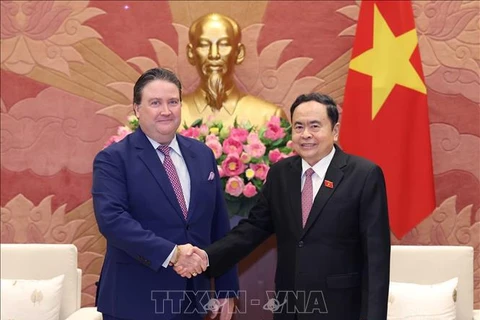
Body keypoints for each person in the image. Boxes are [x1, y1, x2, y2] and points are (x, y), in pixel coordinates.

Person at [179, 93, 391, 319]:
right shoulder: (281, 174)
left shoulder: (363, 175)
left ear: (335, 131)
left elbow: (376, 260)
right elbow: (252, 230)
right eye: (298, 127)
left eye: (315, 126)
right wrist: (206, 257)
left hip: (341, 308)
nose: (306, 134)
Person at [92, 67, 238, 320]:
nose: (166, 111)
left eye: (173, 102)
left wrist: (226, 287)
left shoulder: (203, 155)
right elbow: (113, 221)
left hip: (192, 298)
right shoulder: (113, 159)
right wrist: (173, 254)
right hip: (134, 300)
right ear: (137, 109)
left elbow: (218, 224)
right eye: (155, 103)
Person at [182, 13, 284, 128]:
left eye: (224, 45)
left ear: (239, 53)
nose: (214, 54)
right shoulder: (171, 116)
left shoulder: (269, 117)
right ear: (191, 53)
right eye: (204, 45)